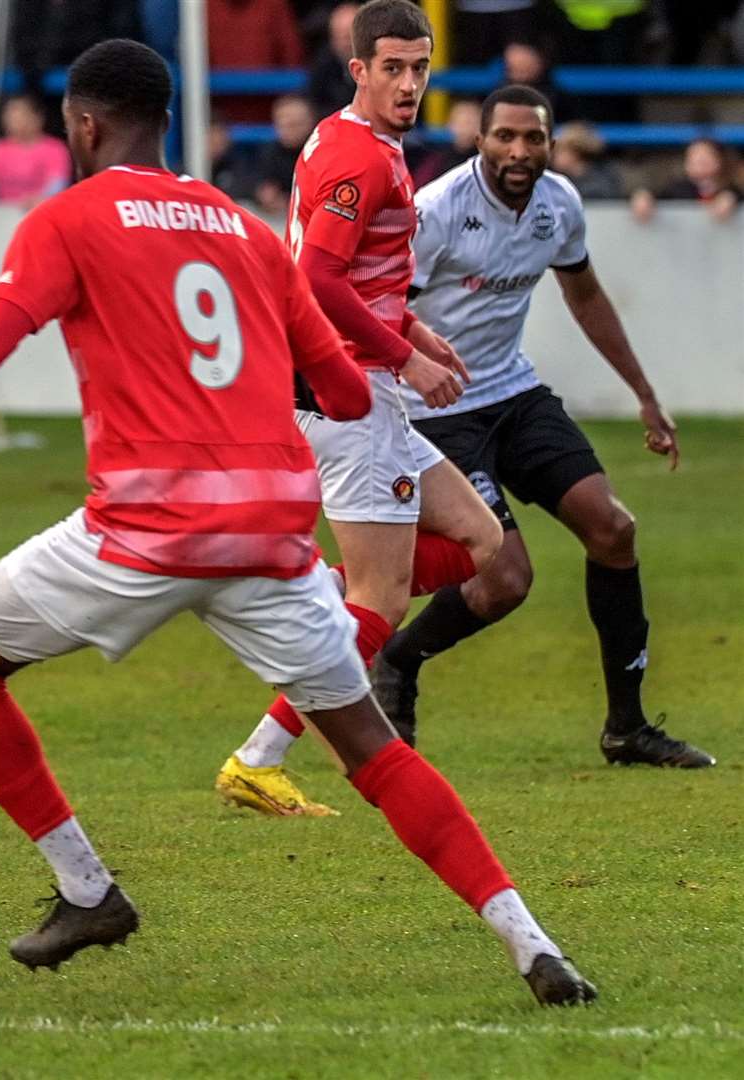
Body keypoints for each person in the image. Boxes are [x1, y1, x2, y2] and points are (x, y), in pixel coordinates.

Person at [0, 38, 596, 1008]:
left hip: (142, 529)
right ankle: (534, 946)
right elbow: (349, 395)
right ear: (171, 123)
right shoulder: (239, 225)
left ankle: (86, 886)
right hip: (270, 538)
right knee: (373, 749)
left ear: (83, 125)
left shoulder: (68, 221)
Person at [370, 86, 714, 768]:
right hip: (440, 411)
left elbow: (584, 295)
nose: (519, 151)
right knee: (505, 581)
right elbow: (378, 312)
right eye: (505, 137)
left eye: (533, 139)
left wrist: (645, 395)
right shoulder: (435, 213)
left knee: (614, 530)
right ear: (481, 140)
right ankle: (399, 659)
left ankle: (627, 728)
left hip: (514, 393)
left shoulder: (560, 204)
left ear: (550, 144)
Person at [214, 0, 501, 817]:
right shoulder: (359, 158)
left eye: (421, 68)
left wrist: (415, 326)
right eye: (395, 69)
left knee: (480, 538)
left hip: (365, 385)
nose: (410, 85)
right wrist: (402, 355)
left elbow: (357, 274)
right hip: (348, 395)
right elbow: (317, 283)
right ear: (359, 72)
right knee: (382, 600)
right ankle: (258, 757)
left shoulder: (367, 145)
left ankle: (325, 600)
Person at [0, 95, 70, 209]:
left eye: (20, 116)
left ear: (37, 118)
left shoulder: (55, 149)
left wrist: (40, 198)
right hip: (3, 214)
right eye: (10, 117)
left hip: (39, 212)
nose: (13, 121)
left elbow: (57, 185)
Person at [631, 138, 741, 223]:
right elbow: (657, 196)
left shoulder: (730, 189)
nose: (699, 161)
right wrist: (643, 196)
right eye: (693, 157)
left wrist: (731, 198)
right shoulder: (678, 189)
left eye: (705, 157)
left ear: (720, 160)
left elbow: (736, 195)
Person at [248, 94, 317, 215]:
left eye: (295, 124)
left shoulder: (321, 152)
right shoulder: (268, 152)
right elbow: (250, 183)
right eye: (283, 125)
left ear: (310, 122)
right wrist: (261, 193)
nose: (289, 130)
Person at [412, 98, 479, 188]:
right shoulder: (436, 161)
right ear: (450, 125)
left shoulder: (488, 162)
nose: (464, 129)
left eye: (470, 122)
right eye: (460, 122)